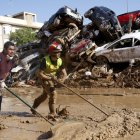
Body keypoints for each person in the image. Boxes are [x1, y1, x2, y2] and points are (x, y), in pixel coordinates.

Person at [31, 41, 67, 118]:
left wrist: (62, 80)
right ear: (52, 53)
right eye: (57, 52)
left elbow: (65, 74)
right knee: (53, 93)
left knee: (44, 95)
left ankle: (34, 107)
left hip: (52, 78)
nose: (59, 54)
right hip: (43, 78)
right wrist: (50, 78)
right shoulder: (45, 60)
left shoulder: (60, 60)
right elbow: (40, 74)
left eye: (59, 52)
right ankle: (52, 113)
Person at [0, 41, 16, 111]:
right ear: (5, 49)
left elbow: (7, 72)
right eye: (10, 49)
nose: (12, 51)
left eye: (13, 49)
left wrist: (3, 81)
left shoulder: (11, 61)